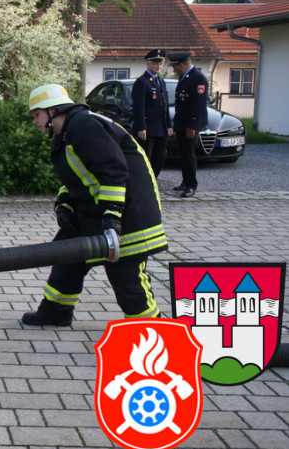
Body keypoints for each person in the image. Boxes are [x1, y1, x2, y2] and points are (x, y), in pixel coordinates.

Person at [21, 84, 168, 327]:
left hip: (127, 214)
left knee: (126, 277)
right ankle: (56, 311)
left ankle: (151, 330)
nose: (35, 121)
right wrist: (65, 204)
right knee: (68, 256)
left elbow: (113, 171)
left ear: (52, 111)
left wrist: (112, 216)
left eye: (36, 115)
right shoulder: (68, 133)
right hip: (95, 211)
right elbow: (78, 177)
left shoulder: (84, 126)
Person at [168, 52, 208, 198]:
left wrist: (193, 125)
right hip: (182, 123)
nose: (174, 70)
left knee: (189, 155)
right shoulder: (185, 77)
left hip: (190, 124)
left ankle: (191, 185)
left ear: (182, 65)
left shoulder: (198, 78)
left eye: (175, 67)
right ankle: (185, 181)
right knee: (184, 154)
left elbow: (199, 105)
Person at [131, 49, 173, 177]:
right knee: (146, 158)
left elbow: (165, 106)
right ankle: (143, 181)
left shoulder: (161, 81)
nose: (158, 66)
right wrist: (141, 127)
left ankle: (153, 180)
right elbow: (138, 107)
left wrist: (169, 125)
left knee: (159, 158)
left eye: (161, 63)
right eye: (155, 63)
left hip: (161, 127)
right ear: (148, 64)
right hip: (148, 127)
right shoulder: (142, 82)